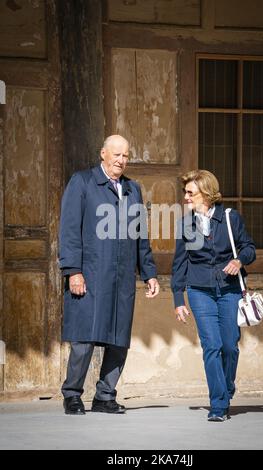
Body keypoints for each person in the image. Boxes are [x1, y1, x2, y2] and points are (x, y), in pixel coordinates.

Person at [59, 134, 159, 415]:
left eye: (125, 155)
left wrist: (149, 272)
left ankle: (105, 395)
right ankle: (72, 394)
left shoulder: (132, 190)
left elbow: (141, 235)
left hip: (122, 275)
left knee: (118, 337)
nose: (121, 160)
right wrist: (73, 271)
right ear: (103, 154)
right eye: (116, 154)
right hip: (90, 273)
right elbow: (68, 230)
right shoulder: (83, 182)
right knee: (84, 338)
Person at [171, 170, 256, 422]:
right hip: (199, 292)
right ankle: (218, 404)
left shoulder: (230, 219)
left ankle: (225, 388)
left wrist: (239, 261)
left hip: (229, 291)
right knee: (212, 346)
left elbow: (249, 248)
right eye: (185, 192)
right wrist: (178, 300)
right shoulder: (185, 224)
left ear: (206, 194)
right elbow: (179, 264)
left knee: (230, 346)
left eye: (190, 193)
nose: (185, 197)